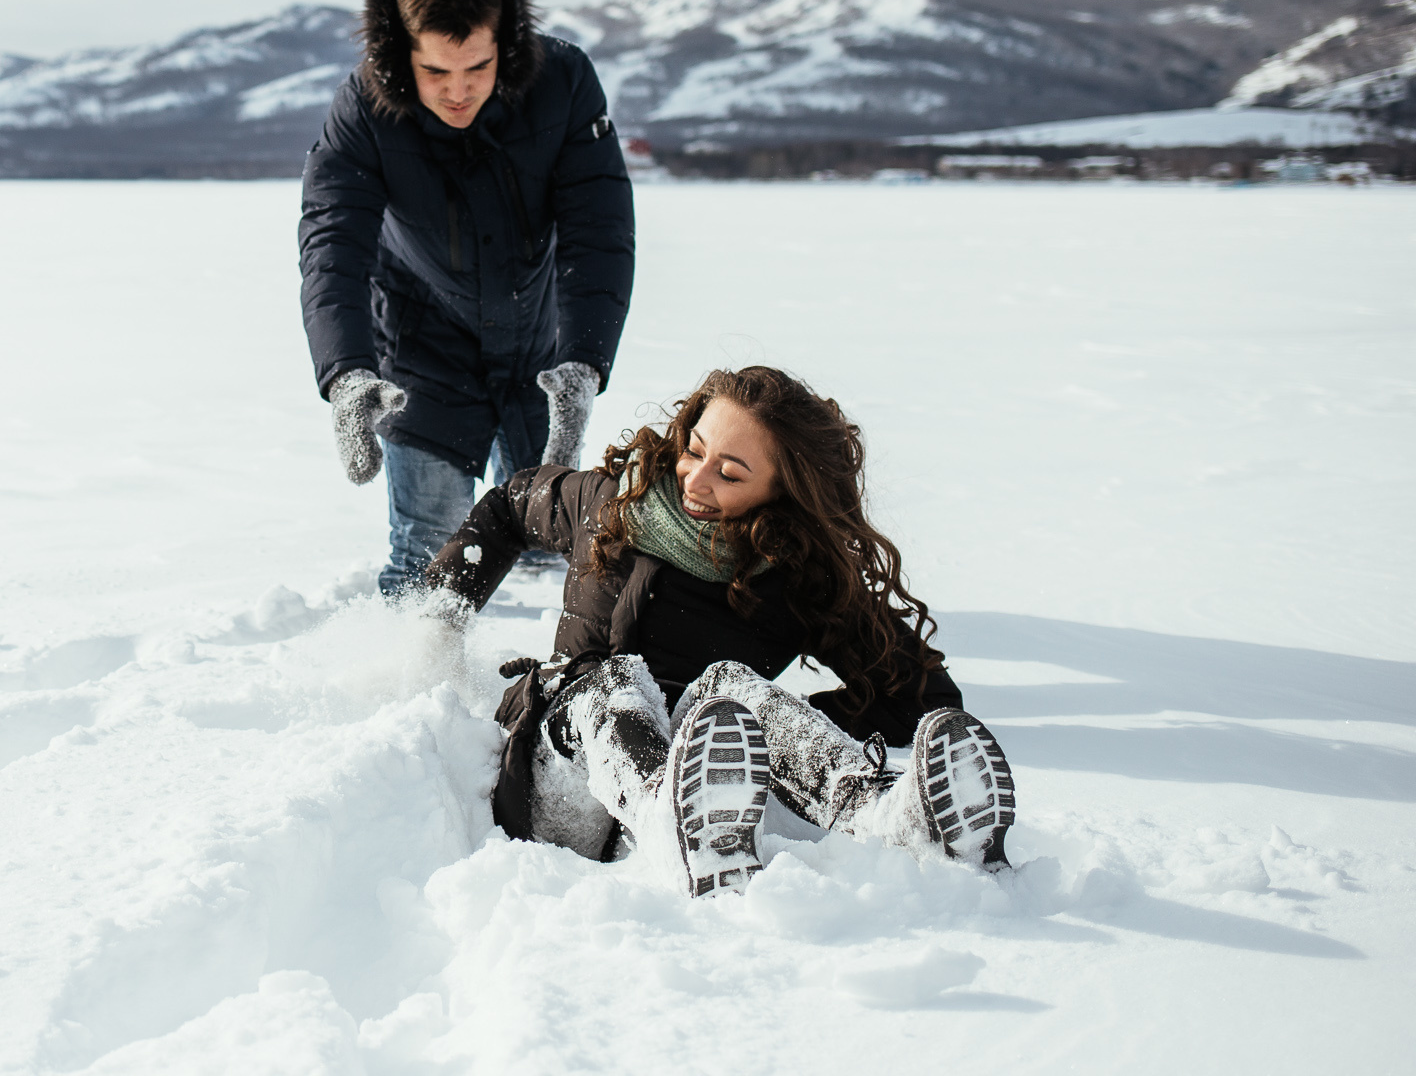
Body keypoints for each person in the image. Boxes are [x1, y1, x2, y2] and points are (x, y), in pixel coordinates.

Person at [420, 365, 1017, 899]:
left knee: (730, 688)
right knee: (610, 682)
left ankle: (887, 814)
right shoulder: (611, 503)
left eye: (729, 473)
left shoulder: (791, 576)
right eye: (694, 450)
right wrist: (438, 619)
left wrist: (779, 730)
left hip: (708, 792)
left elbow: (922, 695)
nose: (695, 481)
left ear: (781, 494)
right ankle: (666, 814)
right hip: (554, 783)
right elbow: (508, 504)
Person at [299, 0, 635, 596]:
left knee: (560, 554)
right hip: (422, 355)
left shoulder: (562, 82)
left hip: (539, 353)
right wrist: (345, 373)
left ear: (504, 46)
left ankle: (555, 690)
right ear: (401, 55)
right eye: (436, 72)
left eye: (477, 68)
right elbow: (333, 243)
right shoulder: (363, 109)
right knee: (427, 561)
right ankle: (412, 692)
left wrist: (584, 363)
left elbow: (599, 231)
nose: (459, 91)